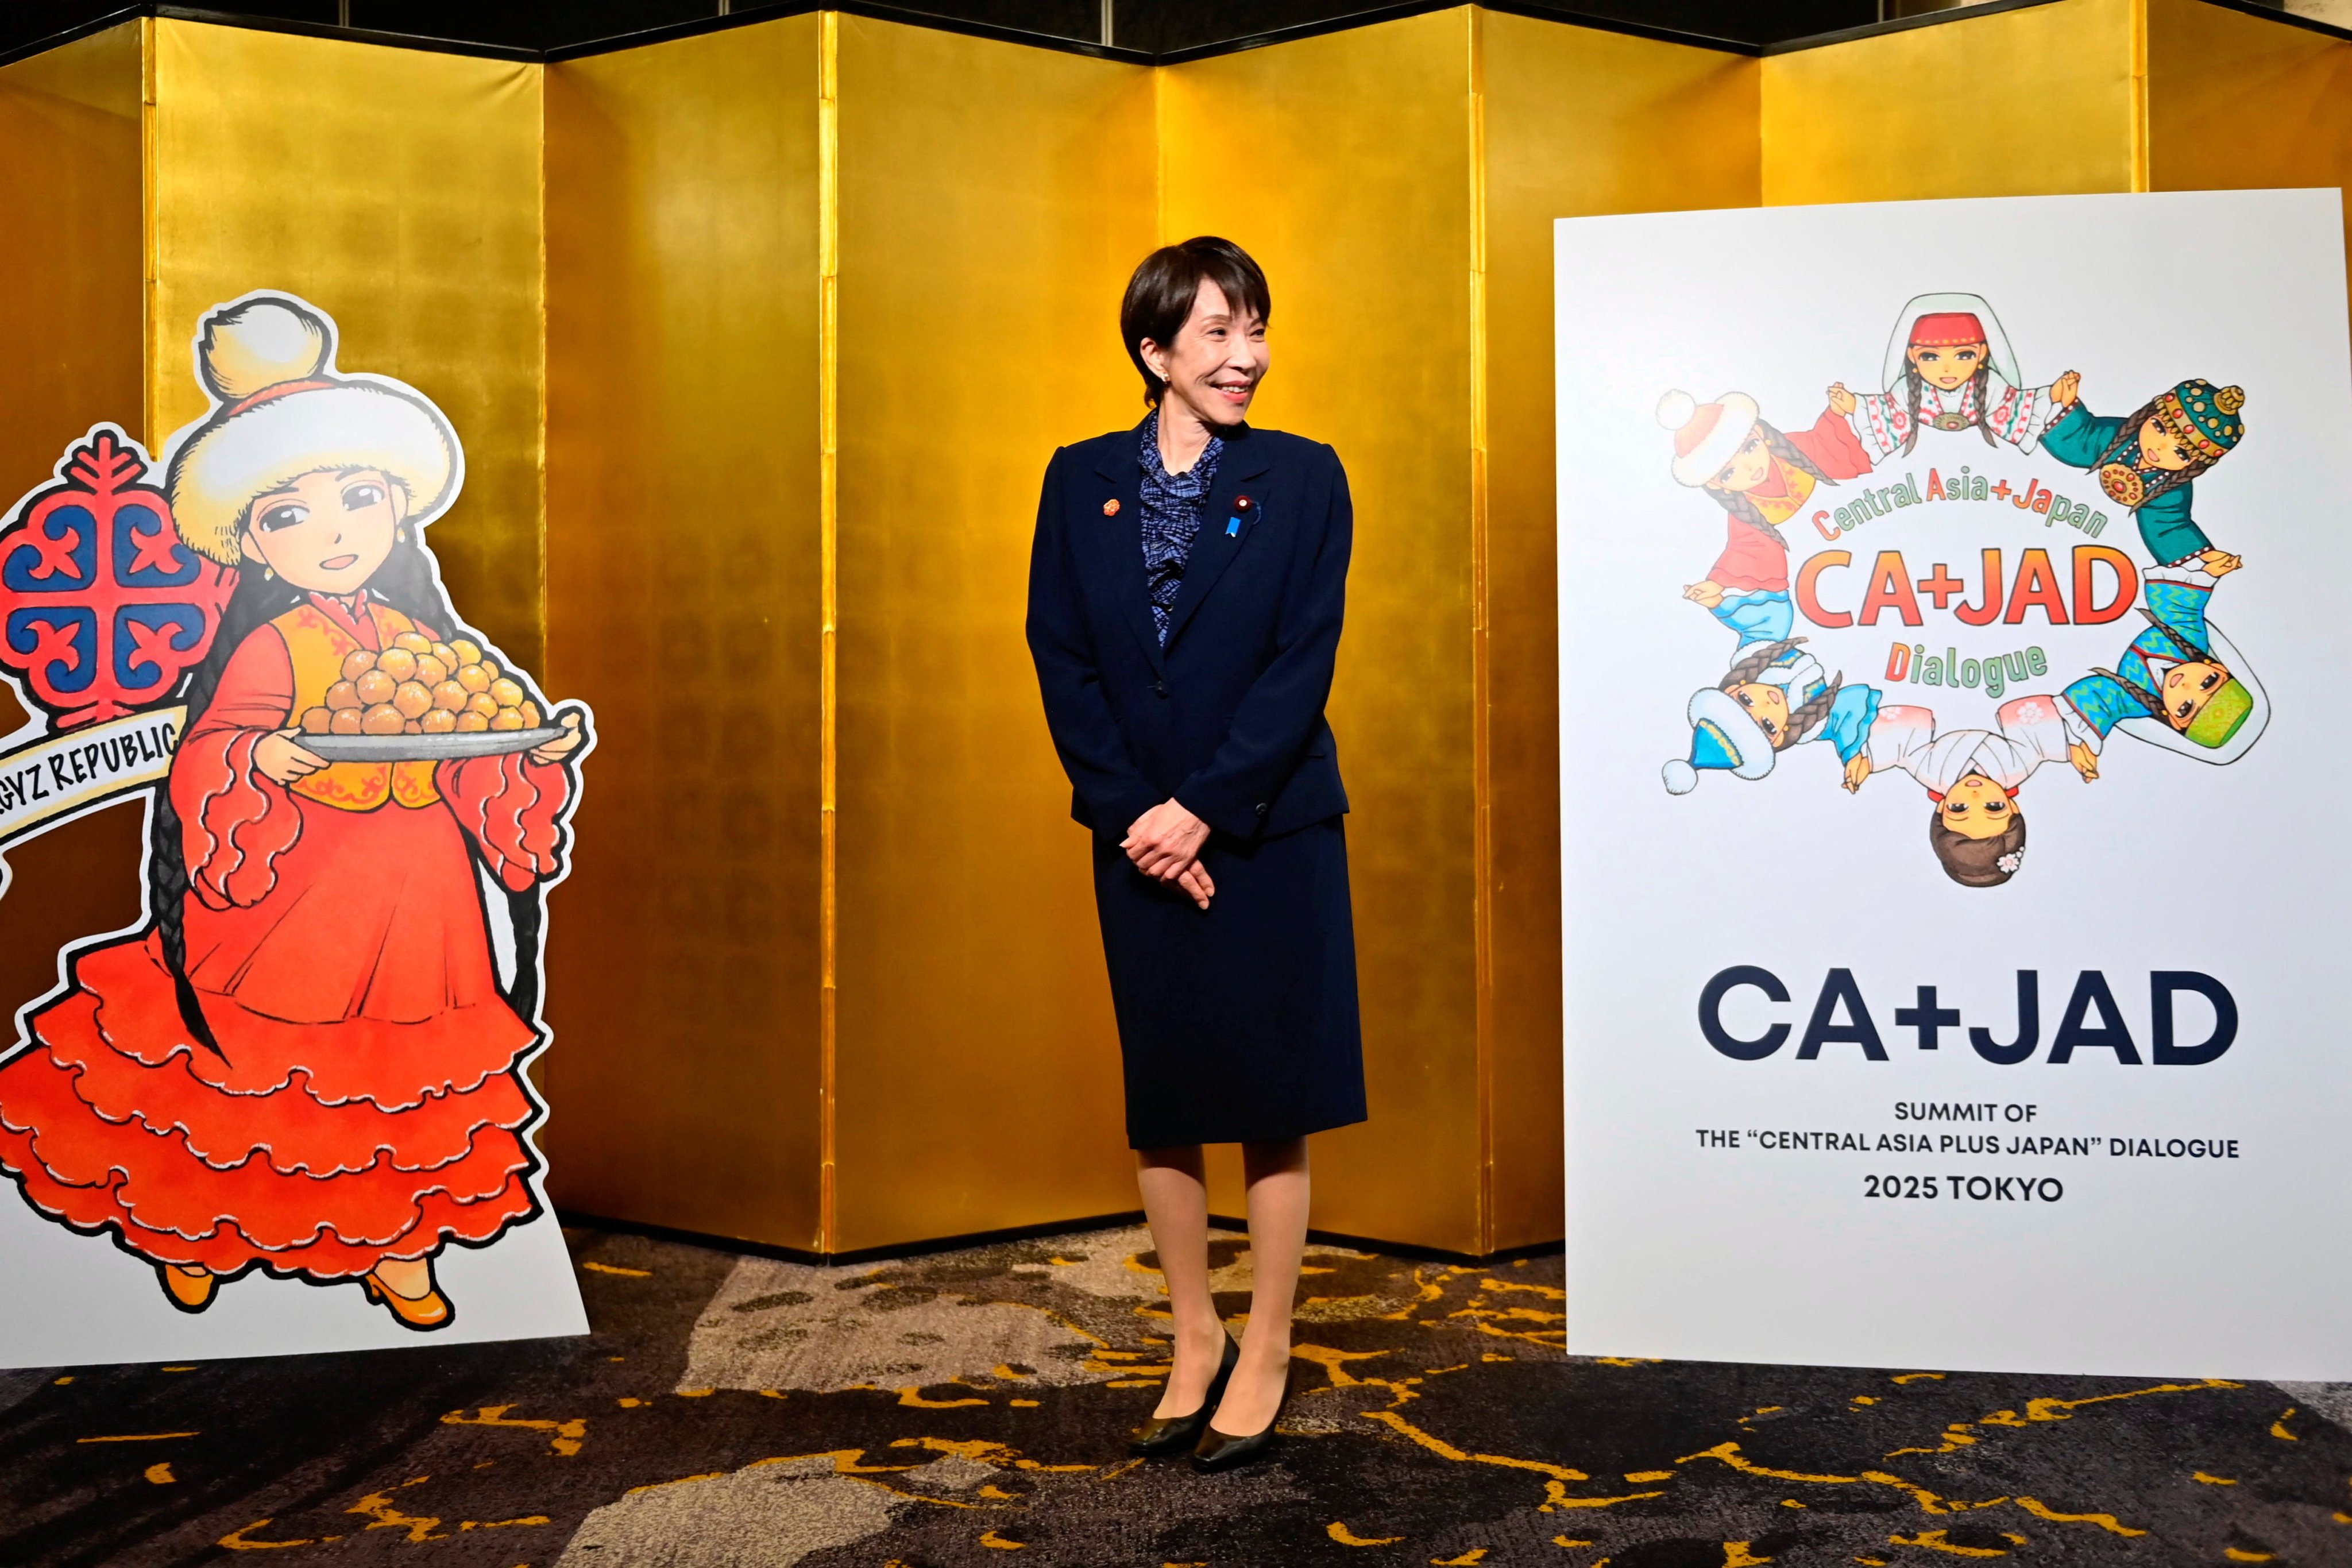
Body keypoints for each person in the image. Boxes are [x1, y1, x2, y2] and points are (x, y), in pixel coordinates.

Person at [0, 296, 585, 1330]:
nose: (332, 533)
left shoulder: (421, 635)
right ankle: (186, 1229)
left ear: (396, 513)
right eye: (288, 514)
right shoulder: (272, 647)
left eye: (357, 500)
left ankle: (396, 1247)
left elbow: (466, 736)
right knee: (256, 1073)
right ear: (256, 546)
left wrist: (522, 753)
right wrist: (263, 753)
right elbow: (213, 754)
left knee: (399, 1081)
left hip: (420, 896)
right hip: (293, 886)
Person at [1025, 238, 1364, 1470]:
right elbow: (1059, 655)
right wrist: (1136, 815)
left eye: (1256, 328)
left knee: (1273, 1098)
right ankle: (1192, 1336)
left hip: (1266, 828)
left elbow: (1299, 662)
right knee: (1166, 1095)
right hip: (1136, 834)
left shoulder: (1303, 476)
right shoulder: (1078, 482)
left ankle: (1267, 1344)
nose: (1247, 357)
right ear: (1154, 352)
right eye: (1218, 334)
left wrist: (1203, 811)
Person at [1659, 387, 1871, 649]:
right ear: (1716, 485)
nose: (1750, 468)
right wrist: (1719, 588)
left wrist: (1837, 414)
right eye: (1729, 473)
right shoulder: (1746, 517)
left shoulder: (1798, 449)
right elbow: (1746, 556)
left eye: (1749, 447)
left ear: (1759, 433)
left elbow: (1833, 443)